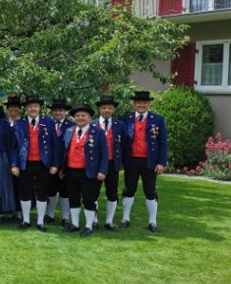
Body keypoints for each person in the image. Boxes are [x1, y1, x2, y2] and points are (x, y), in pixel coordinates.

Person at [12, 95, 61, 232]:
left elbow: (55, 145)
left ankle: (40, 221)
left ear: (39, 108)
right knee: (24, 191)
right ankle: (26, 220)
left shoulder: (49, 122)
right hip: (25, 163)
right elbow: (14, 146)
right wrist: (14, 164)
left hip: (43, 163)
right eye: (30, 106)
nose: (33, 108)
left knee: (42, 191)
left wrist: (55, 164)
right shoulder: (19, 123)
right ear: (26, 108)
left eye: (35, 106)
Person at [120, 91, 167, 233]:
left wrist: (161, 162)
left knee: (150, 191)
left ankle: (152, 222)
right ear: (134, 104)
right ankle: (125, 218)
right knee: (129, 189)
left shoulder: (158, 119)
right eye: (139, 102)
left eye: (144, 103)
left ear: (149, 104)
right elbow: (121, 141)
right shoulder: (126, 118)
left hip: (150, 161)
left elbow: (163, 142)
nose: (141, 105)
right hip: (131, 160)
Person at [60, 104, 108, 237]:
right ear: (74, 118)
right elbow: (65, 152)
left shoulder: (98, 132)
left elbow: (104, 153)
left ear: (89, 117)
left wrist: (102, 171)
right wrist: (62, 168)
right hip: (71, 171)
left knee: (89, 199)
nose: (80, 118)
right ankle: (75, 224)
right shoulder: (69, 131)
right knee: (73, 198)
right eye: (77, 116)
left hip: (90, 172)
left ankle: (88, 226)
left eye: (83, 116)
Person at [94, 94, 125, 230]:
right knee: (93, 192)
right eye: (104, 108)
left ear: (113, 110)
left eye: (109, 108)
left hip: (112, 163)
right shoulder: (92, 124)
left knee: (112, 192)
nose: (107, 110)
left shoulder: (120, 125)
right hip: (95, 164)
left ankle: (109, 221)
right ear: (100, 109)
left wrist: (121, 162)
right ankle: (94, 220)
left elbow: (124, 144)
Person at [45, 99, 74, 225]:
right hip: (49, 164)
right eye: (55, 110)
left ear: (65, 112)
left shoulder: (72, 126)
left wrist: (63, 166)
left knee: (64, 191)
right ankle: (50, 215)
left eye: (61, 110)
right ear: (52, 111)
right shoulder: (47, 124)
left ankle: (65, 216)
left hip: (65, 164)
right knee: (50, 190)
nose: (58, 113)